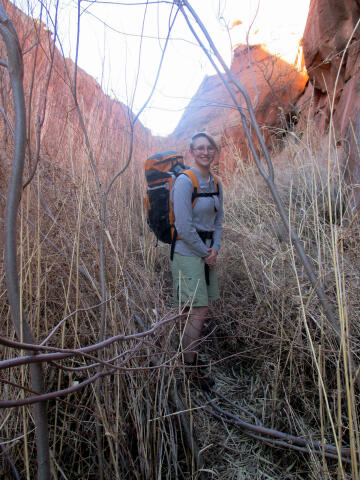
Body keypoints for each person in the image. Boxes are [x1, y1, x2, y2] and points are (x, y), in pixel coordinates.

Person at [171, 132, 224, 386]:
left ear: (215, 151)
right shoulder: (184, 181)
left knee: (190, 310)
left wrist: (215, 248)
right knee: (197, 310)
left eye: (209, 148)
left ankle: (184, 357)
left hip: (206, 254)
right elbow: (183, 225)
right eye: (200, 148)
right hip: (187, 253)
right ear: (191, 152)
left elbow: (219, 220)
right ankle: (189, 370)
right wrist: (206, 253)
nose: (205, 152)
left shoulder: (216, 182)